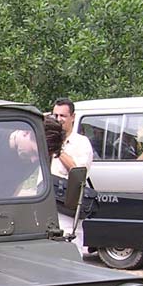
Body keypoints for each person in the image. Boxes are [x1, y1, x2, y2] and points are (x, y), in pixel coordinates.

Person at [50, 98, 94, 254]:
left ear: (73, 117)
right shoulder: (46, 139)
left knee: (70, 252)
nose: (58, 120)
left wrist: (58, 149)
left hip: (67, 207)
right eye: (55, 116)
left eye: (63, 116)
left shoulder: (81, 143)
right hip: (47, 205)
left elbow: (78, 171)